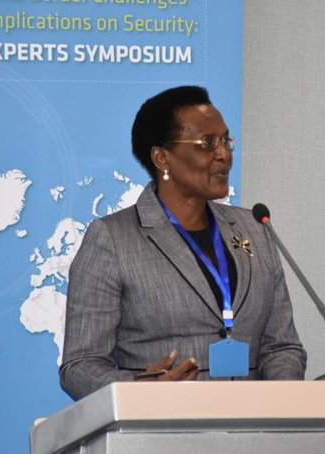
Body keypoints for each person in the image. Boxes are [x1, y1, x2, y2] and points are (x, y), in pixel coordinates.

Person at [59, 86, 306, 399]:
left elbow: (282, 347)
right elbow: (80, 366)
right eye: (207, 143)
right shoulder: (113, 238)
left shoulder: (254, 229)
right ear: (162, 157)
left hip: (252, 424)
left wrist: (278, 404)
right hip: (162, 424)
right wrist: (139, 390)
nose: (224, 154)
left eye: (226, 140)